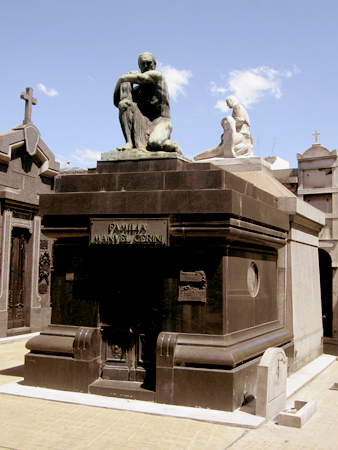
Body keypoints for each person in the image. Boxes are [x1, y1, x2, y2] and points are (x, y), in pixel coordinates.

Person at [114, 52, 180, 153]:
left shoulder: (157, 76)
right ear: (139, 66)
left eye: (148, 63)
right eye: (142, 64)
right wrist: (127, 85)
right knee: (124, 104)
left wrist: (122, 79)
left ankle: (171, 145)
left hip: (161, 121)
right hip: (144, 122)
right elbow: (117, 102)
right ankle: (129, 143)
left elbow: (142, 78)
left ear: (154, 64)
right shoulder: (139, 90)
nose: (146, 66)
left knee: (155, 143)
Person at [194, 95, 253, 160]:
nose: (227, 105)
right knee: (218, 150)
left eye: (227, 103)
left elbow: (240, 121)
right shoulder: (237, 108)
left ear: (231, 101)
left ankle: (198, 157)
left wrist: (230, 124)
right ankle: (198, 157)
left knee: (218, 150)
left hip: (241, 135)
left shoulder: (238, 107)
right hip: (242, 136)